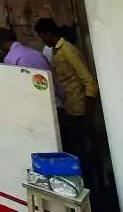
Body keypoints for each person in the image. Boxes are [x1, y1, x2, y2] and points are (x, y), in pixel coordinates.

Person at [35, 18, 98, 175]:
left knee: (84, 153)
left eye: (42, 36)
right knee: (74, 151)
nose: (42, 40)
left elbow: (89, 81)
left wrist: (88, 113)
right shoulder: (56, 51)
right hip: (69, 107)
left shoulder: (67, 50)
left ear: (49, 33)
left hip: (79, 110)